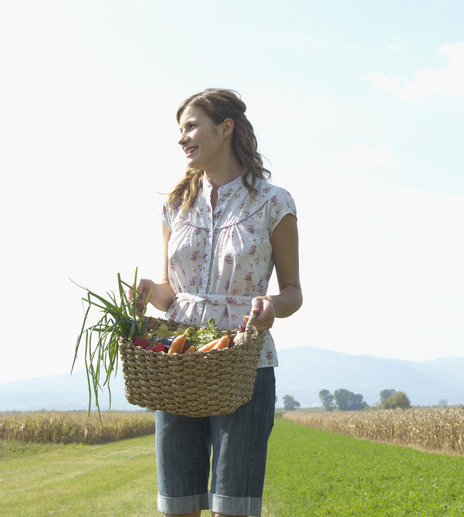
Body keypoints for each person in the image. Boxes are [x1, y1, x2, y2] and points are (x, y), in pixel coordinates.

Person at [132, 88, 302, 517]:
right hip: (178, 362)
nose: (182, 138)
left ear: (225, 129)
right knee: (178, 506)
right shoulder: (176, 204)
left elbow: (293, 293)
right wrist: (151, 288)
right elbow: (172, 292)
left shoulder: (273, 202)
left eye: (190, 126)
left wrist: (270, 308)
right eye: (180, 129)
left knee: (234, 508)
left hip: (243, 362)